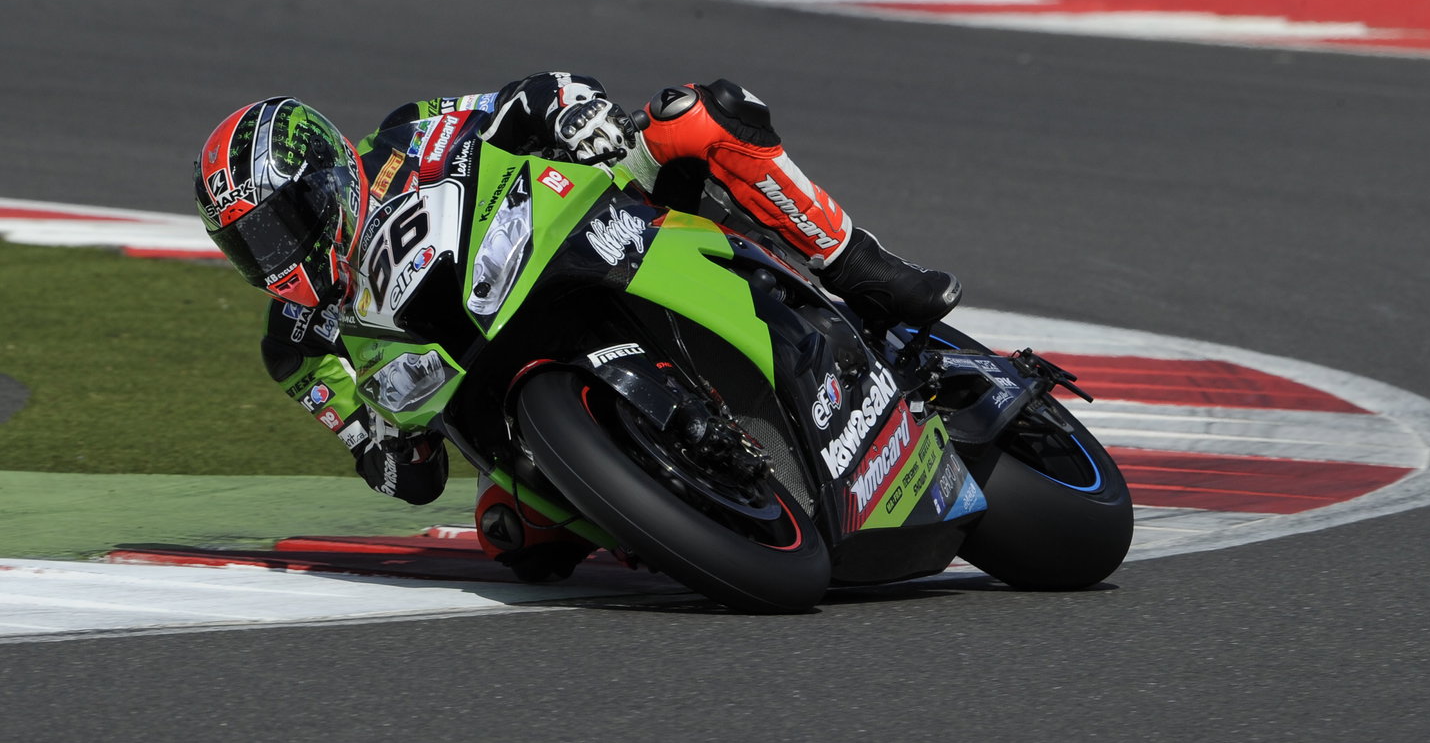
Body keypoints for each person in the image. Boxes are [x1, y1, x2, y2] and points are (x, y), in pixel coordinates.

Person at [194, 72, 961, 518]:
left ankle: (862, 266)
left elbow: (527, 98)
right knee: (514, 535)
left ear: (324, 181)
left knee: (694, 113)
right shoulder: (295, 346)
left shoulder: (404, 137)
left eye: (280, 227)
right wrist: (379, 448)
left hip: (568, 234)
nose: (276, 256)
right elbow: (414, 483)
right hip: (500, 413)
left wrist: (576, 111)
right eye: (248, 246)